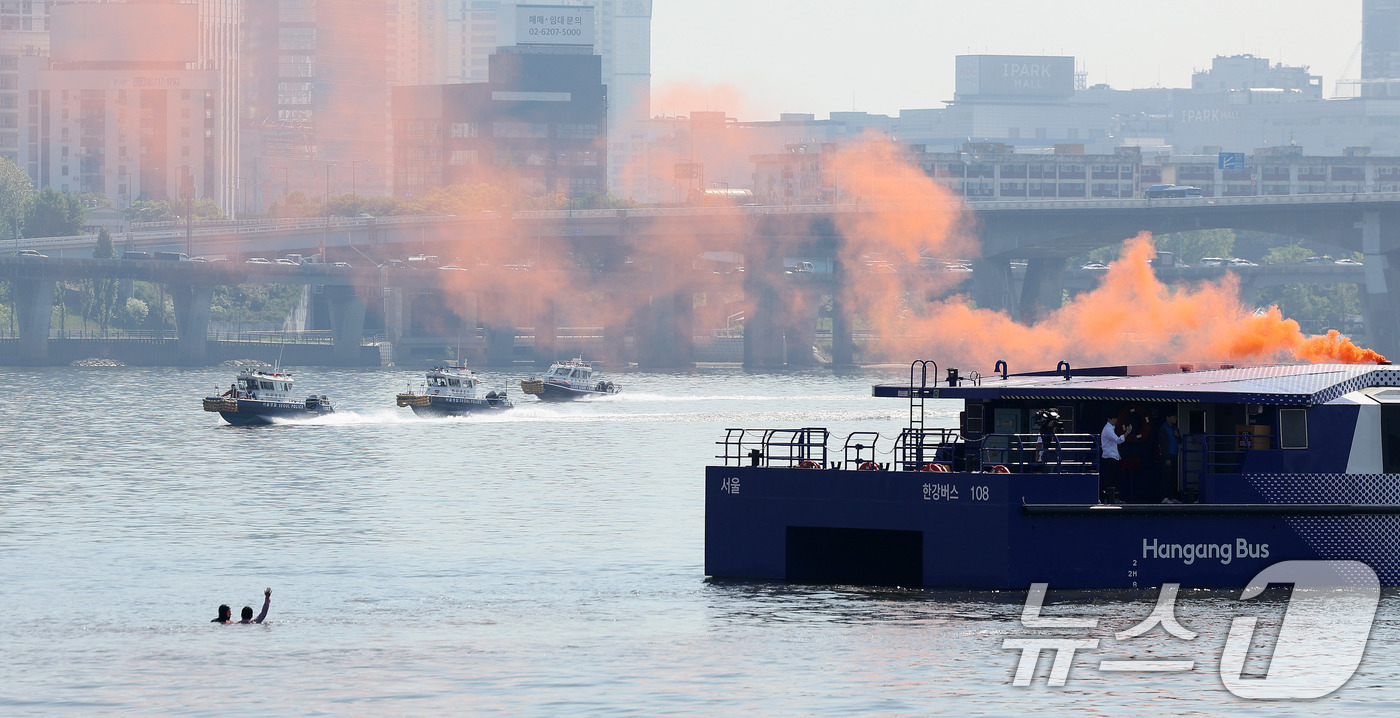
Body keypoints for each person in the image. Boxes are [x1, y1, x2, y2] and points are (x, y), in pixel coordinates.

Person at [1100, 413, 1130, 503]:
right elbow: (1117, 440)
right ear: (1109, 419)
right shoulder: (1108, 429)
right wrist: (1127, 433)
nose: (1116, 420)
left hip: (1114, 457)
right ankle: (1110, 499)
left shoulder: (1111, 429)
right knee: (1111, 479)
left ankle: (1114, 498)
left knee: (1115, 479)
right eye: (1114, 418)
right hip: (1109, 457)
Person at [1157, 413, 1183, 502]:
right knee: (1166, 477)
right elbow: (1163, 445)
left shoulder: (1175, 428)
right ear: (1168, 418)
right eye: (1173, 417)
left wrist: (1178, 436)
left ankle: (1172, 497)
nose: (1175, 418)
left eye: (1176, 417)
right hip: (1167, 455)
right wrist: (1166, 458)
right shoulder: (1163, 429)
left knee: (1173, 477)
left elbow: (1180, 441)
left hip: (1175, 454)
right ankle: (1164, 497)